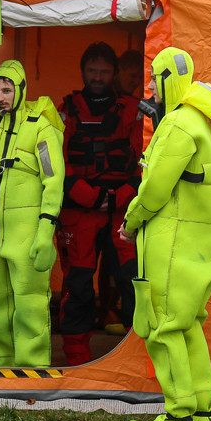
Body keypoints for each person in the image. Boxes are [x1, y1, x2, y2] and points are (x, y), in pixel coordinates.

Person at [119, 47, 211, 421]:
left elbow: (155, 189)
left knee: (164, 325)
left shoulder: (176, 125)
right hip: (203, 243)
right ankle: (204, 407)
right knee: (188, 324)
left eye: (155, 78)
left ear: (170, 80)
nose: (151, 87)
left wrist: (132, 220)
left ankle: (179, 411)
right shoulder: (204, 123)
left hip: (175, 241)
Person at [0, 59, 65, 367]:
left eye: (8, 90)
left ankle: (32, 369)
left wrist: (46, 231)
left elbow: (54, 180)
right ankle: (4, 363)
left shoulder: (40, 127)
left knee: (30, 305)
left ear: (21, 90)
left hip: (28, 234)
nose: (1, 96)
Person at [57, 42, 142, 365]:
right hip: (80, 209)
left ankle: (137, 355)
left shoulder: (132, 111)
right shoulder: (65, 109)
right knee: (77, 285)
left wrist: (119, 195)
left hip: (122, 207)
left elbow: (143, 163)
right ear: (83, 72)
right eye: (92, 71)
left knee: (132, 280)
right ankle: (76, 358)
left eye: (104, 71)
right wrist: (89, 195)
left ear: (113, 73)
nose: (97, 76)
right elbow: (56, 161)